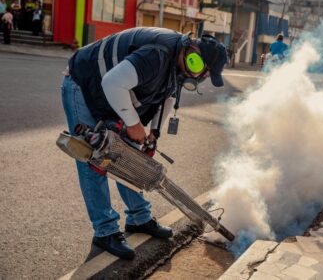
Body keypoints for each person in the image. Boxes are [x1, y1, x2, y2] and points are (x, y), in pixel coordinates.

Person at [62, 27, 228, 260]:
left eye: (205, 75)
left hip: (109, 91)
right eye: (200, 69)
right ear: (193, 53)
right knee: (93, 157)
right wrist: (132, 123)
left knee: (131, 155)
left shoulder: (179, 62)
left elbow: (169, 96)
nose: (199, 76)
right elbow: (112, 83)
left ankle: (139, 217)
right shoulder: (157, 55)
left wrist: (154, 132)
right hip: (83, 83)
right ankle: (105, 230)